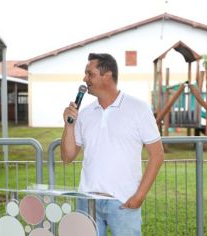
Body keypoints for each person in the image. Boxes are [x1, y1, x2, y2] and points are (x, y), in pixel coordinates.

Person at [61, 53, 164, 236]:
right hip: (87, 201)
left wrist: (139, 196)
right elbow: (67, 156)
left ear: (107, 75)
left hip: (123, 202)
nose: (85, 79)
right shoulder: (84, 113)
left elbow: (157, 155)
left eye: (89, 74)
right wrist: (68, 126)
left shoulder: (138, 109)